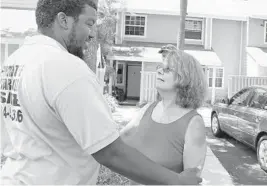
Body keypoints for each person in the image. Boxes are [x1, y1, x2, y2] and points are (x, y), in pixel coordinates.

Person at [0, 0, 202, 185]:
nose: (91, 34)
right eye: (88, 23)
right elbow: (110, 151)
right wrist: (177, 181)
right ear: (63, 20)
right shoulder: (65, 67)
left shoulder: (13, 62)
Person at [121, 49, 208, 185]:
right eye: (160, 67)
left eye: (167, 69)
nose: (159, 71)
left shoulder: (193, 123)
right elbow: (116, 142)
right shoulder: (147, 109)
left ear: (185, 78)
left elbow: (190, 181)